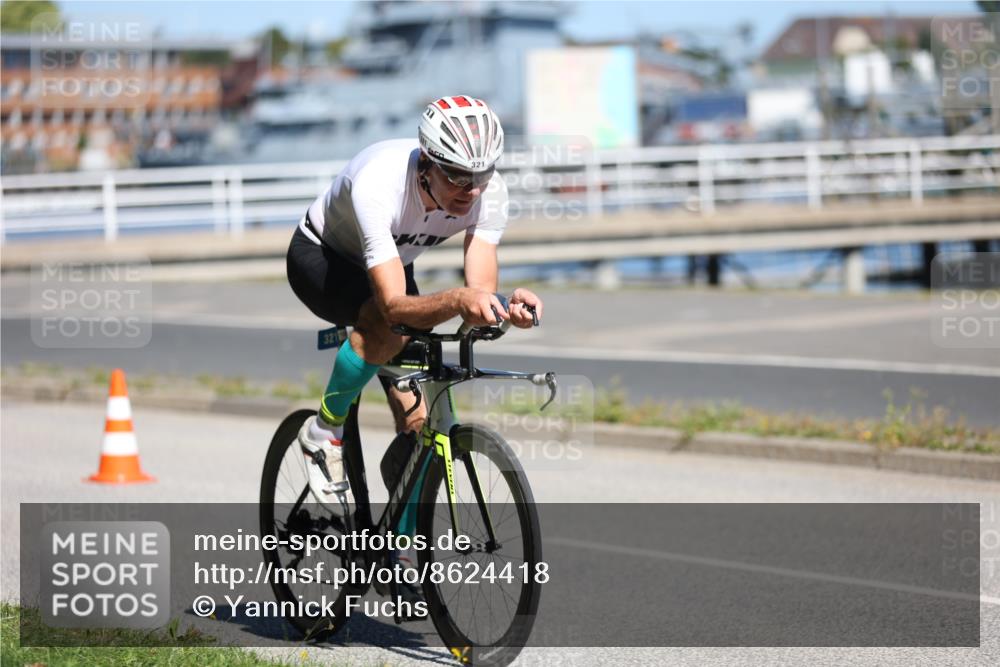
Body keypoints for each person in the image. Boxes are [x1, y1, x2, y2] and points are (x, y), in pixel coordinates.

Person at [286, 95, 544, 515]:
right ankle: (323, 432)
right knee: (385, 326)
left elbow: (478, 293)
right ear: (427, 162)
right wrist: (458, 299)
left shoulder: (489, 191)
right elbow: (392, 307)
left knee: (421, 421)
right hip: (324, 259)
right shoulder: (380, 182)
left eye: (482, 174)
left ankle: (400, 533)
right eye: (458, 176)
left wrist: (504, 308)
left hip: (391, 261)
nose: (472, 190)